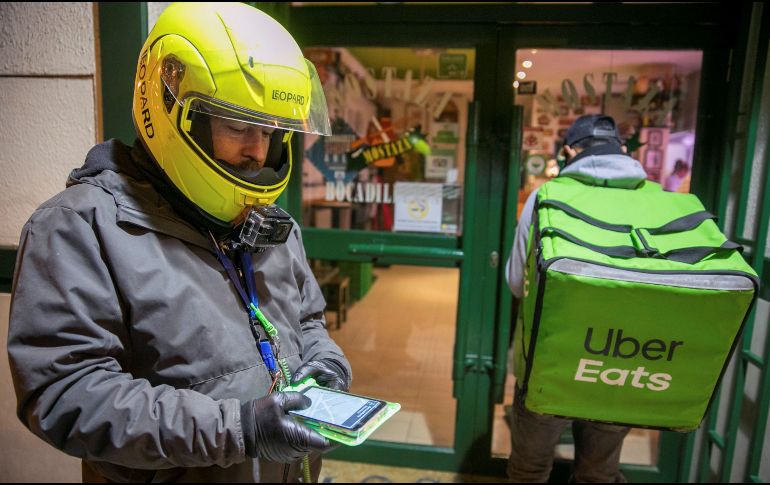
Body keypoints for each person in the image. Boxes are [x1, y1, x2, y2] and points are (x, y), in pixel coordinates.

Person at [7, 3, 351, 482]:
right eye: (239, 126)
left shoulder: (270, 223)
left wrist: (327, 367)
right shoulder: (79, 227)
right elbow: (66, 393)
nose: (258, 151)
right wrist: (239, 429)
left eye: (273, 132)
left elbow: (308, 322)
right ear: (171, 108)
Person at [505, 115, 644, 483]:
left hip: (550, 360)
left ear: (568, 152)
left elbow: (518, 282)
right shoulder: (655, 201)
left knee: (529, 470)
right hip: (624, 358)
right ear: (625, 151)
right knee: (598, 473)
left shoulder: (545, 198)